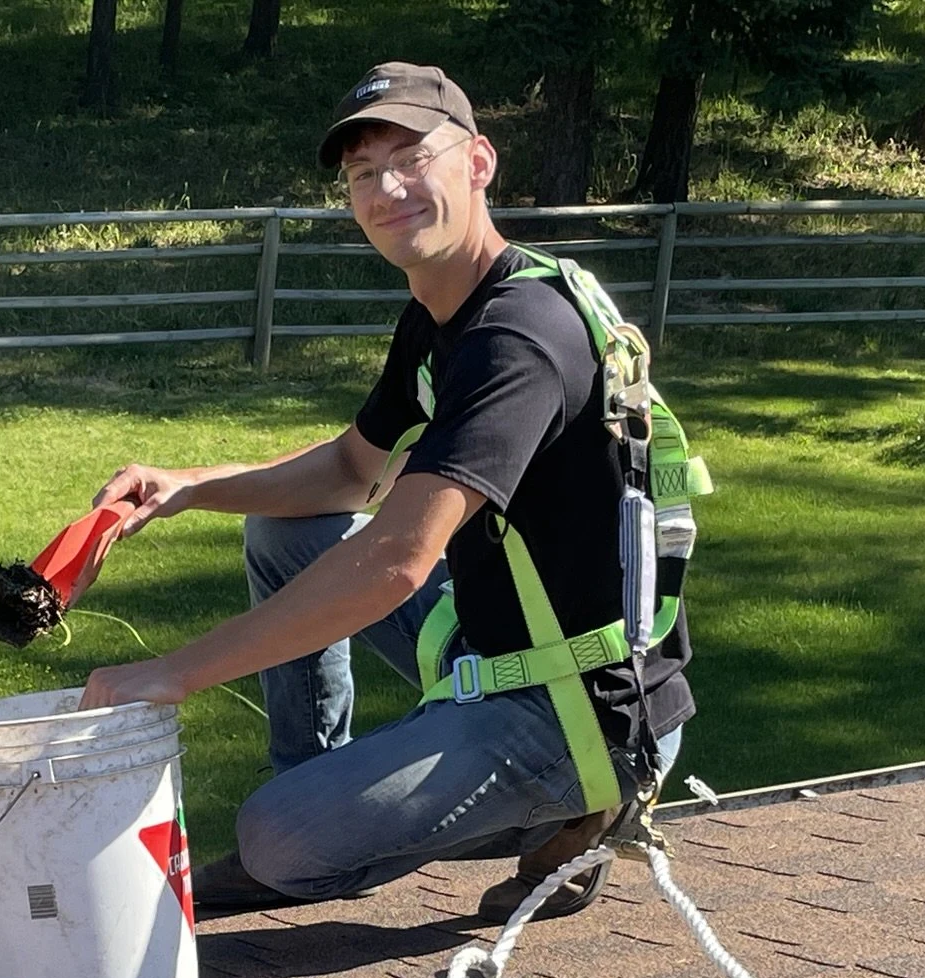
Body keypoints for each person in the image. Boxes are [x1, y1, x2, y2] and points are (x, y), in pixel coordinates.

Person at [79, 62, 695, 921]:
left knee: (277, 841)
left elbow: (396, 564)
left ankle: (580, 808)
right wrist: (185, 487)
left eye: (412, 158)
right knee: (285, 533)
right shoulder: (448, 311)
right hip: (507, 641)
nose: (386, 189)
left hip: (578, 707)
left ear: (478, 161)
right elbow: (347, 472)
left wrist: (173, 674)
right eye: (362, 174)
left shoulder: (516, 339)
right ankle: (320, 781)